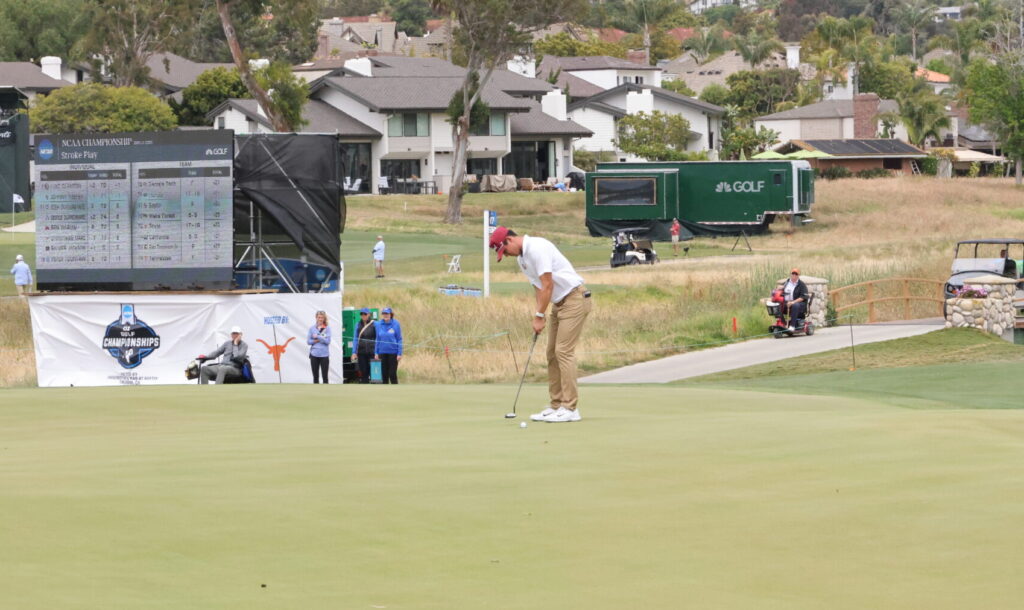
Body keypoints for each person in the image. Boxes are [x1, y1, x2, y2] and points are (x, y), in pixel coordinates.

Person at [489, 226, 592, 423]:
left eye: (505, 251)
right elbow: (538, 287)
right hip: (559, 303)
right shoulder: (522, 259)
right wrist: (540, 315)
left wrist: (538, 315)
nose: (508, 256)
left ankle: (570, 408)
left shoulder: (537, 247)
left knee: (563, 351)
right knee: (551, 353)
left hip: (575, 298)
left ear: (510, 240)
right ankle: (556, 405)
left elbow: (548, 284)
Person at [374, 307, 402, 384]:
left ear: (390, 314)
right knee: (384, 374)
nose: (385, 315)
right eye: (384, 314)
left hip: (393, 353)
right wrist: (376, 352)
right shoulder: (379, 324)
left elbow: (399, 339)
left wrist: (399, 353)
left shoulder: (396, 324)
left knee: (392, 374)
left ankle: (396, 392)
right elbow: (377, 339)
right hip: (382, 352)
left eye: (387, 313)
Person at [351, 307, 377, 383]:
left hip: (372, 351)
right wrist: (354, 352)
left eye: (365, 314)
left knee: (373, 372)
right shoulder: (358, 325)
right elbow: (355, 339)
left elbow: (378, 338)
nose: (363, 315)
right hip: (361, 351)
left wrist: (377, 352)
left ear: (369, 314)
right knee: (363, 371)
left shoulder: (374, 324)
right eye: (361, 314)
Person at [307, 310, 331, 383]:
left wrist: (317, 336)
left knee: (325, 377)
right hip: (314, 354)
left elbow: (327, 341)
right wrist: (317, 340)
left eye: (322, 317)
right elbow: (308, 341)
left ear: (324, 318)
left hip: (324, 354)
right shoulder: (312, 328)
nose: (320, 319)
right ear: (316, 318)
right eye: (319, 317)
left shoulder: (327, 328)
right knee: (315, 377)